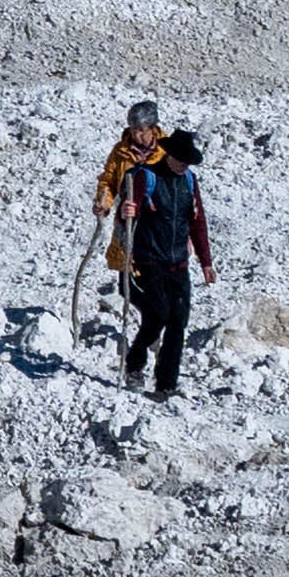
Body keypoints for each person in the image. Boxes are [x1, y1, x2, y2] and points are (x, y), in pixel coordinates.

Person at [94, 103, 216, 401]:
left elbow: (196, 219)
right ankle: (136, 363)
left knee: (178, 320)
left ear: (153, 130)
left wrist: (205, 262)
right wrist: (111, 205)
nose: (138, 135)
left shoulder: (185, 175)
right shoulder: (134, 165)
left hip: (177, 256)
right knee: (158, 313)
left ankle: (166, 384)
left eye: (142, 130)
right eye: (134, 130)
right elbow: (110, 184)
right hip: (143, 252)